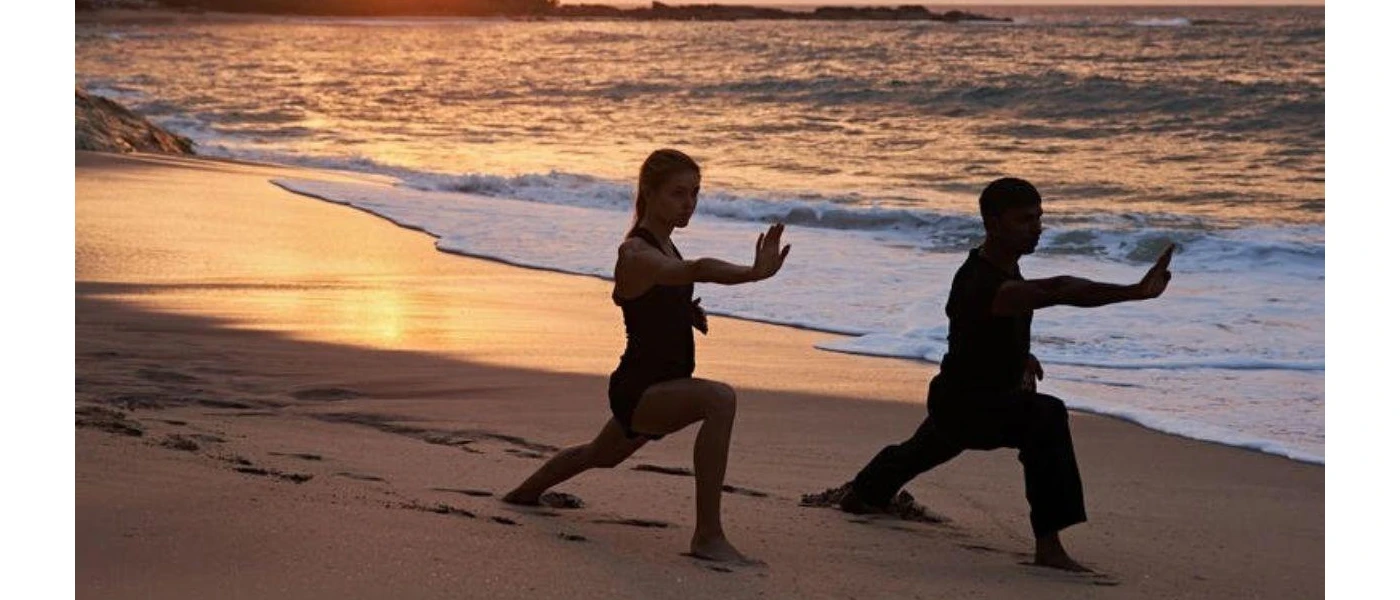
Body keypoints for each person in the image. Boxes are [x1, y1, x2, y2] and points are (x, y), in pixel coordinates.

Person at [838, 177, 1174, 572]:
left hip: (960, 395)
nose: (1037, 227)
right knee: (1045, 417)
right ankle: (1048, 547)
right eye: (1025, 220)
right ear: (994, 225)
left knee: (928, 447)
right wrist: (1134, 291)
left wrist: (1021, 357)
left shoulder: (998, 265)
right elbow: (1059, 289)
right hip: (970, 403)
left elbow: (979, 332)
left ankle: (863, 492)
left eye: (1039, 217)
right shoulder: (986, 282)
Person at [503, 148, 790, 565]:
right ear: (649, 193)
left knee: (599, 455)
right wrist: (750, 273)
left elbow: (661, 293)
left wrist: (687, 312)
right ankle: (708, 536)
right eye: (677, 193)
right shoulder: (635, 253)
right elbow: (690, 270)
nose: (688, 203)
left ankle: (522, 494)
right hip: (642, 390)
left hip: (657, 384)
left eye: (695, 193)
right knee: (720, 400)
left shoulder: (665, 245)